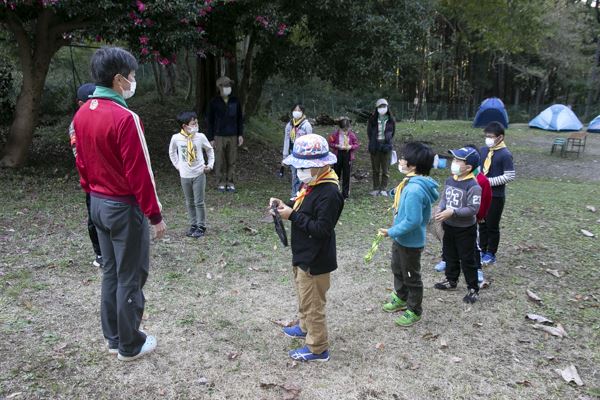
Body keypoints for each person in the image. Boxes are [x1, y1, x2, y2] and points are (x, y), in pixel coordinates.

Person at [73, 46, 166, 361]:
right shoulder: (125, 117)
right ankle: (129, 344)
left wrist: (91, 193)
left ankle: (113, 337)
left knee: (111, 272)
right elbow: (140, 173)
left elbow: (82, 163)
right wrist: (154, 215)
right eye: (132, 76)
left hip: (96, 203)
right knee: (130, 275)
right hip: (123, 207)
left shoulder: (83, 112)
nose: (133, 81)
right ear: (118, 79)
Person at [269, 134, 344, 362]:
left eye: (304, 167)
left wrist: (292, 215)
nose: (300, 172)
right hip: (303, 253)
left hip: (316, 259)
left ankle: (318, 348)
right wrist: (286, 205)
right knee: (304, 296)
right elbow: (302, 204)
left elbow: (321, 229)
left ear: (321, 166)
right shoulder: (311, 184)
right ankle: (304, 327)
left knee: (314, 305)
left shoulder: (330, 193)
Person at [378, 142, 439, 327]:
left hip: (410, 243)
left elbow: (412, 221)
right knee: (397, 269)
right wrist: (394, 193)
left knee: (412, 276)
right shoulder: (409, 183)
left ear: (412, 165)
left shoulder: (414, 189)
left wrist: (391, 231)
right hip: (401, 239)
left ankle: (414, 310)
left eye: (403, 158)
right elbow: (400, 194)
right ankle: (401, 298)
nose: (401, 161)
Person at [433, 145, 492, 288]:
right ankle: (451, 280)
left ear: (468, 167)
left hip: (465, 229)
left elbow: (473, 209)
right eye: (454, 159)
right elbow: (444, 197)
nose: (454, 162)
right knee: (450, 254)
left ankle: (473, 288)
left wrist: (453, 212)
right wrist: (441, 208)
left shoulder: (474, 186)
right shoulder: (450, 180)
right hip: (449, 225)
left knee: (467, 259)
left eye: (458, 161)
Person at [68, 82, 102, 268]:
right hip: (92, 181)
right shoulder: (76, 123)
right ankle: (100, 253)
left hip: (110, 179)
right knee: (94, 218)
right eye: (90, 101)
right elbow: (79, 154)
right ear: (80, 103)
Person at [169, 111, 215, 238]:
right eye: (193, 123)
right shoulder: (176, 138)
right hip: (185, 175)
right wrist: (177, 165)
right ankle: (193, 224)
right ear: (185, 126)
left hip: (199, 173)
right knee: (189, 201)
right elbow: (172, 152)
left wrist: (210, 165)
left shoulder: (200, 137)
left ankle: (201, 226)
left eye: (196, 123)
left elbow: (210, 150)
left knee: (199, 201)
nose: (196, 125)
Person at [479, 122, 515, 266]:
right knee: (481, 223)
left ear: (500, 137)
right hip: (482, 194)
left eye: (491, 137)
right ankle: (481, 248)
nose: (488, 139)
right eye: (486, 136)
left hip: (496, 196)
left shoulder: (505, 154)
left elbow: (510, 176)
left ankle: (491, 253)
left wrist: (488, 182)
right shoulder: (483, 150)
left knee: (492, 225)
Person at [206, 76, 244, 193]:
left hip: (233, 135)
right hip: (219, 135)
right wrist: (211, 138)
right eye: (225, 86)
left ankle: (230, 182)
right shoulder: (214, 102)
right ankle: (220, 182)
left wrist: (240, 134)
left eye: (229, 86)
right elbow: (210, 121)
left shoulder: (235, 101)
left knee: (232, 160)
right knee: (220, 160)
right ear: (220, 87)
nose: (228, 88)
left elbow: (239, 119)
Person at [282, 104, 312, 198]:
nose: (296, 112)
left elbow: (310, 140)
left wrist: (309, 154)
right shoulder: (289, 124)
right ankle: (294, 195)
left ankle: (302, 194)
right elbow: (286, 139)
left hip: (303, 154)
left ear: (302, 112)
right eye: (295, 110)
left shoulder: (306, 125)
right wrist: (285, 154)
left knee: (302, 174)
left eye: (299, 110)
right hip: (292, 152)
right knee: (294, 174)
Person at [367, 98, 395, 196]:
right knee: (375, 169)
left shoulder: (391, 120)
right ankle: (375, 188)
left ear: (387, 107)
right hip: (375, 146)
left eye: (384, 106)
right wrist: (374, 143)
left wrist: (387, 143)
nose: (382, 108)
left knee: (385, 170)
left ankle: (383, 188)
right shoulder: (372, 119)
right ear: (377, 108)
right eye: (380, 106)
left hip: (386, 147)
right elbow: (369, 133)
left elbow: (392, 133)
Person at [327, 117, 359, 200]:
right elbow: (330, 142)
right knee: (336, 173)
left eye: (346, 129)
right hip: (338, 154)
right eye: (343, 130)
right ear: (339, 128)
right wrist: (336, 146)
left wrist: (351, 146)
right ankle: (335, 192)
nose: (345, 132)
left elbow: (356, 144)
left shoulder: (351, 135)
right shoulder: (335, 134)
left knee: (346, 174)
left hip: (347, 154)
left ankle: (345, 194)